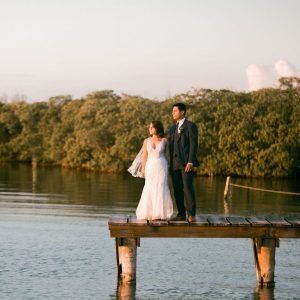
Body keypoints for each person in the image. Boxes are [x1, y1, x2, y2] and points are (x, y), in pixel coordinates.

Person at [132, 121, 173, 220]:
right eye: (149, 127)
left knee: (161, 187)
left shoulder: (165, 141)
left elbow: (168, 156)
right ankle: (148, 213)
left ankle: (159, 214)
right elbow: (145, 156)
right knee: (149, 187)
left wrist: (170, 167)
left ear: (157, 128)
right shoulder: (146, 141)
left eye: (152, 127)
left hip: (161, 166)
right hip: (150, 166)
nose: (149, 129)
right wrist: (143, 169)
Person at [169, 103, 199, 222]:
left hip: (186, 163)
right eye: (172, 111)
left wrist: (190, 161)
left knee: (187, 188)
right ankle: (181, 214)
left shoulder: (191, 126)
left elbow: (193, 145)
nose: (173, 113)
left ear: (182, 112)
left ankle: (191, 213)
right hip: (174, 164)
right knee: (177, 189)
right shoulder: (172, 128)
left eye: (175, 111)